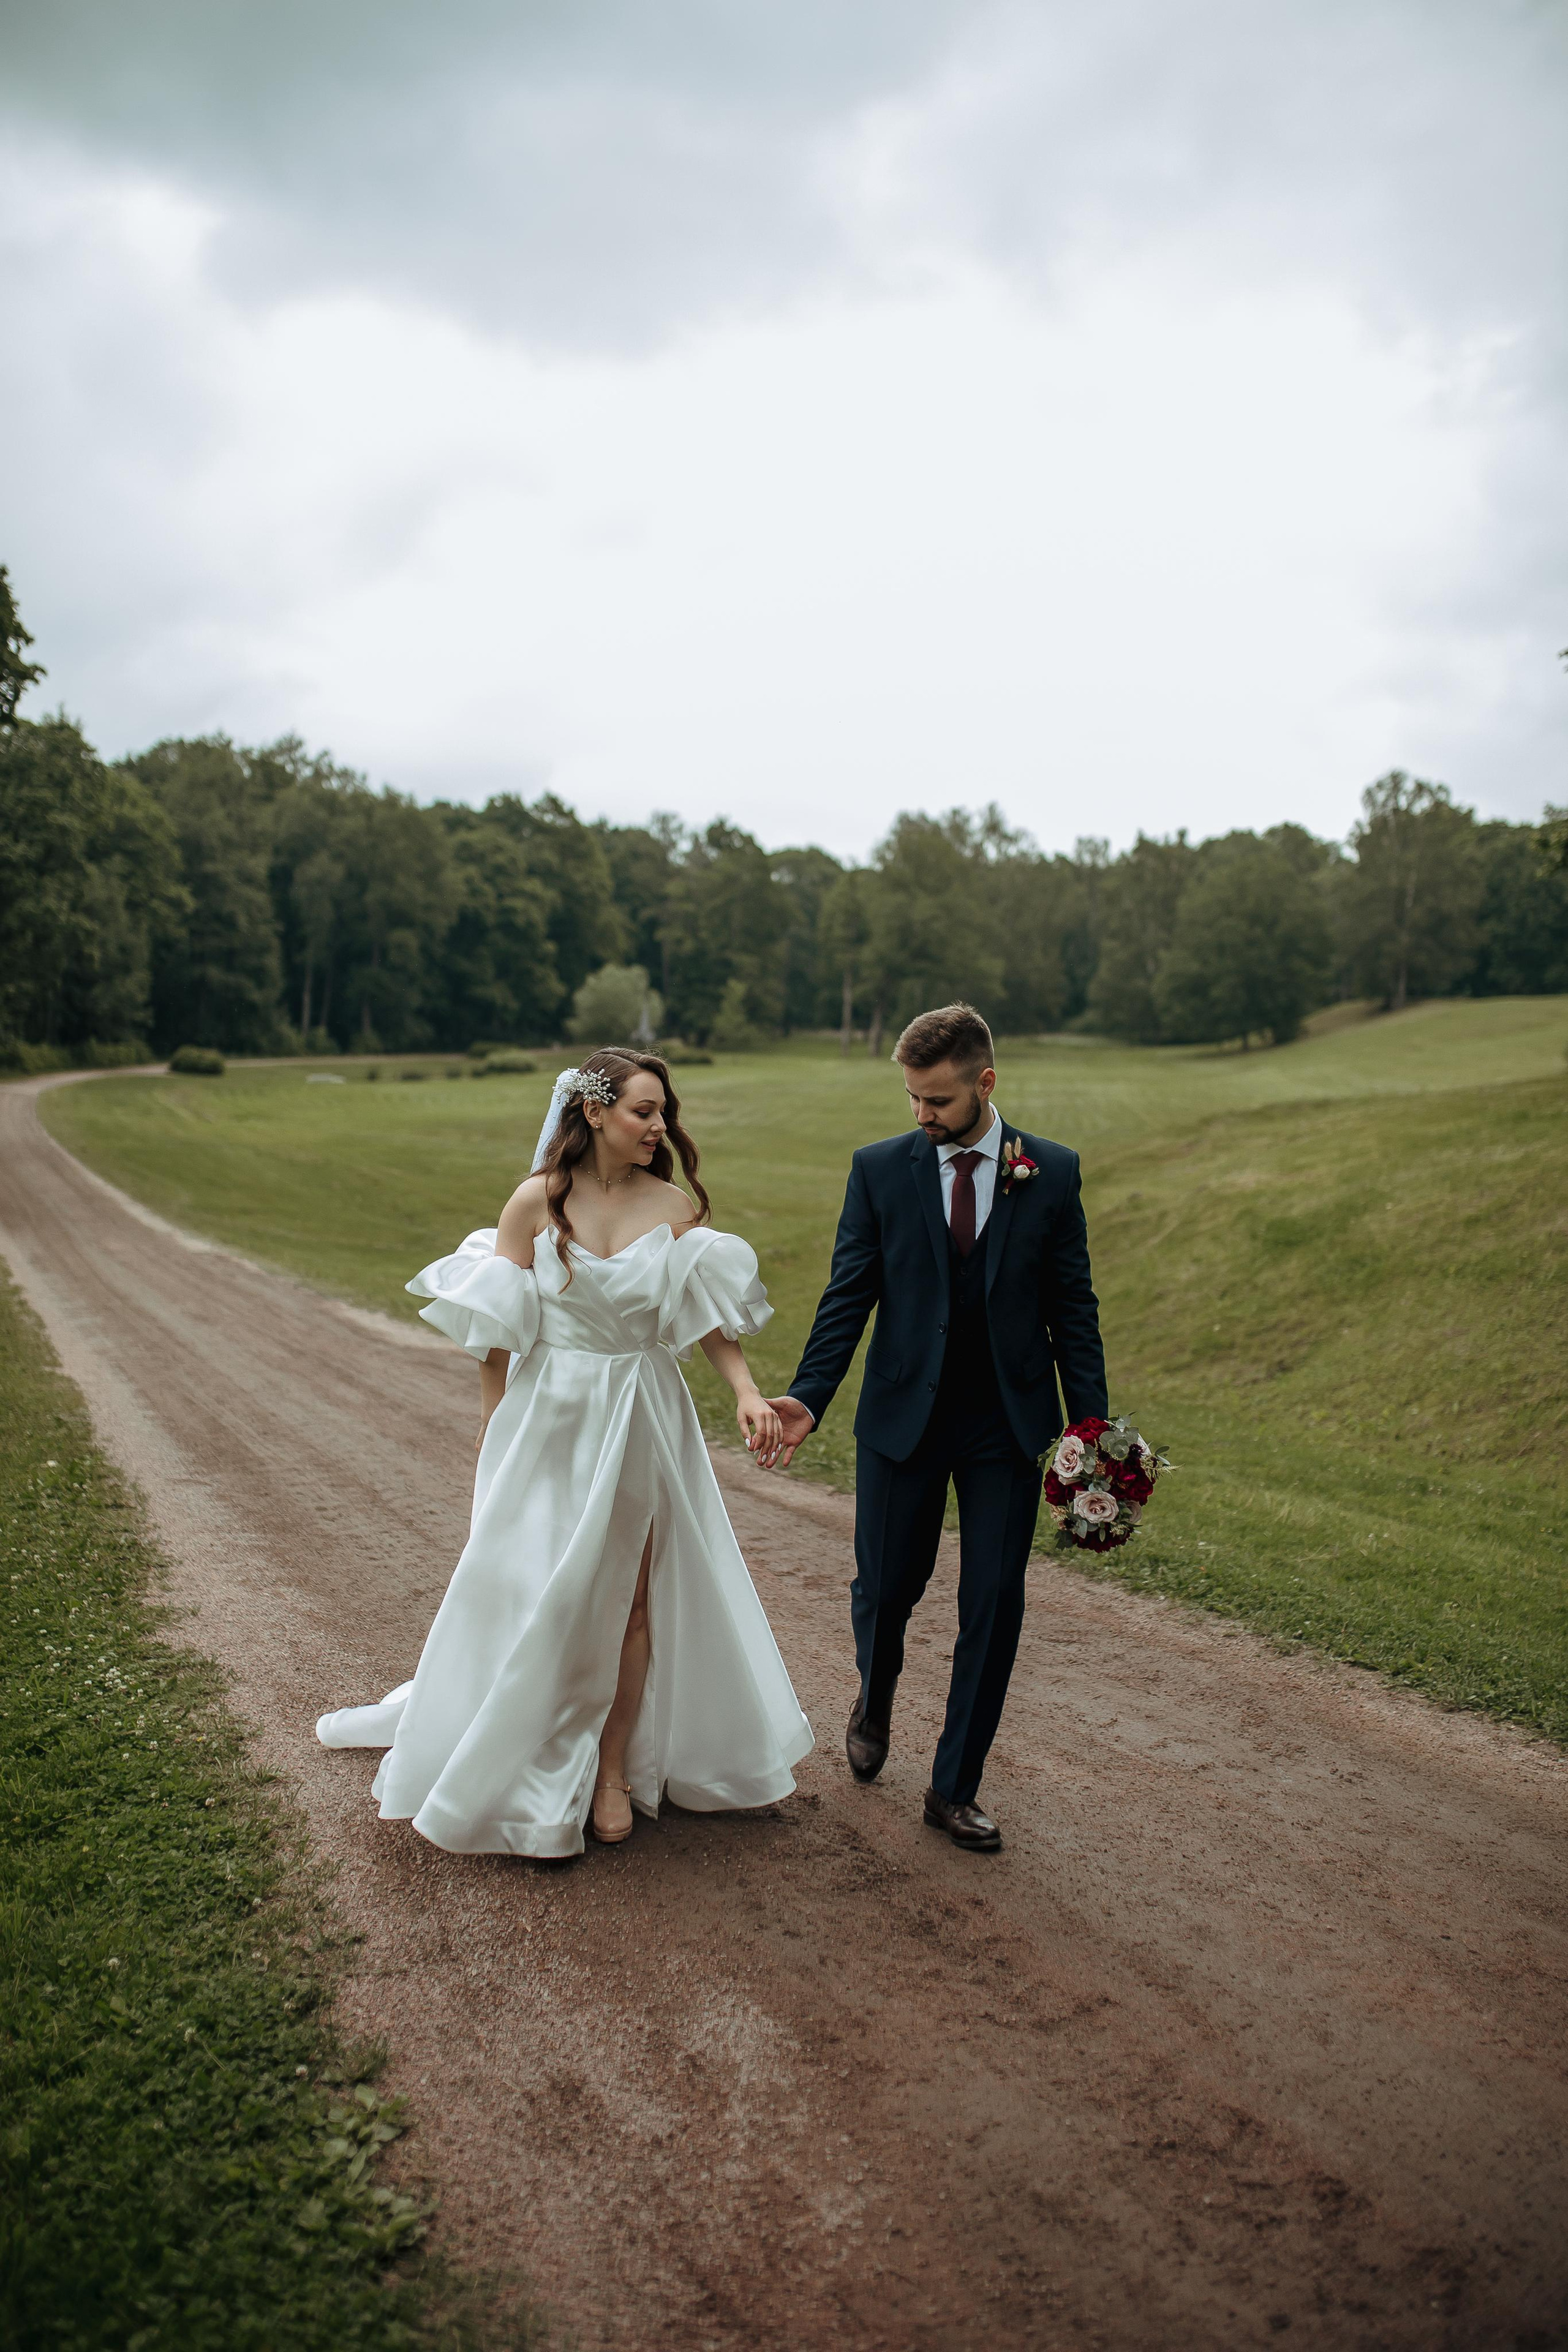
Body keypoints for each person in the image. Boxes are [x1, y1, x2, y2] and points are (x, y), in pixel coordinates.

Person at [317, 1049, 813, 1857]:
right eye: (643, 1112)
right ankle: (525, 1754)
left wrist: (748, 1392)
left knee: (635, 1601)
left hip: (644, 1410)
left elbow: (706, 1318)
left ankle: (612, 1770)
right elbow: (498, 1322)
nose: (659, 1127)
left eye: (663, 1113)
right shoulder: (535, 1205)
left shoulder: (675, 1207)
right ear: (593, 1113)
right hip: (548, 1414)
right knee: (531, 1587)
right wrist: (494, 1412)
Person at [766, 1003, 1106, 1850]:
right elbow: (849, 1294)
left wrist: (1090, 1434)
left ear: (985, 1084)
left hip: (1007, 1425)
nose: (922, 1116)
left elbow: (1075, 1311)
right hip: (900, 1419)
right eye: (913, 1100)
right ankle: (874, 1698)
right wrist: (810, 1394)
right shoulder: (880, 1170)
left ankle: (954, 1787)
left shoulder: (1052, 1172)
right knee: (886, 1590)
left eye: (939, 1102)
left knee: (993, 1602)